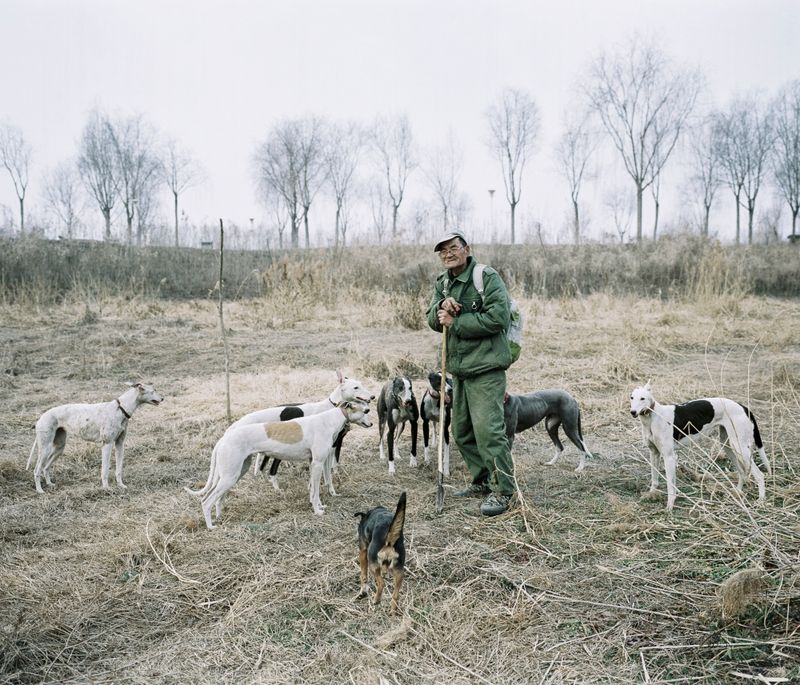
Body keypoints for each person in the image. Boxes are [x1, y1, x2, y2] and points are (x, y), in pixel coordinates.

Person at [426, 230, 515, 516]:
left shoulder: (485, 277)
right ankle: (482, 481)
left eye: (453, 248)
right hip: (460, 371)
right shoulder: (443, 283)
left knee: (489, 432)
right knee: (462, 432)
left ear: (466, 249)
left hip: (486, 368)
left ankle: (503, 491)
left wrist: (457, 321)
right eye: (443, 251)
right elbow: (433, 320)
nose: (448, 254)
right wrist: (441, 307)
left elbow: (498, 318)